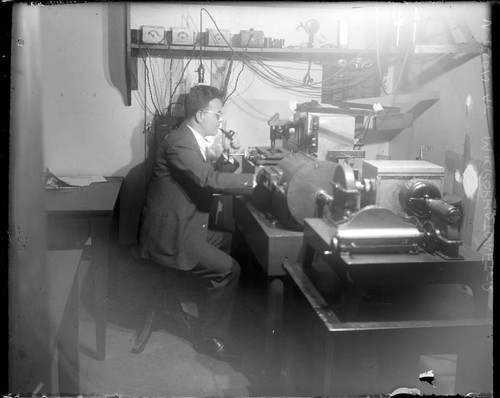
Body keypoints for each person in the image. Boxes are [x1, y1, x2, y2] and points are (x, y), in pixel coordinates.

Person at [137, 84, 255, 362]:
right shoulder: (178, 141)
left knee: (233, 241)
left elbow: (205, 176)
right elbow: (208, 181)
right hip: (171, 235)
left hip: (187, 223)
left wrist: (225, 154)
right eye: (218, 114)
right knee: (230, 269)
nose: (221, 120)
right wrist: (257, 181)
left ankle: (220, 312)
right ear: (201, 115)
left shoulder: (190, 141)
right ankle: (210, 337)